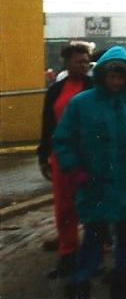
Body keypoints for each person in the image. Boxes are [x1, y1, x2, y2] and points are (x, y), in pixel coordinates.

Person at [48, 47, 126, 299]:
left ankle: (121, 293)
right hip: (95, 184)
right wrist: (73, 168)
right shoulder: (82, 103)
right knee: (92, 243)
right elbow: (63, 139)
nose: (116, 81)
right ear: (103, 74)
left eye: (121, 76)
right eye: (111, 75)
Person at [37, 43, 94, 278]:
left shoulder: (94, 88)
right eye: (78, 61)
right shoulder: (55, 90)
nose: (83, 65)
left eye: (86, 61)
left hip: (90, 156)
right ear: (67, 63)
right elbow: (48, 124)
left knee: (91, 207)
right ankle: (67, 255)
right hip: (62, 157)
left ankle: (93, 257)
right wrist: (43, 155)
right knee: (64, 208)